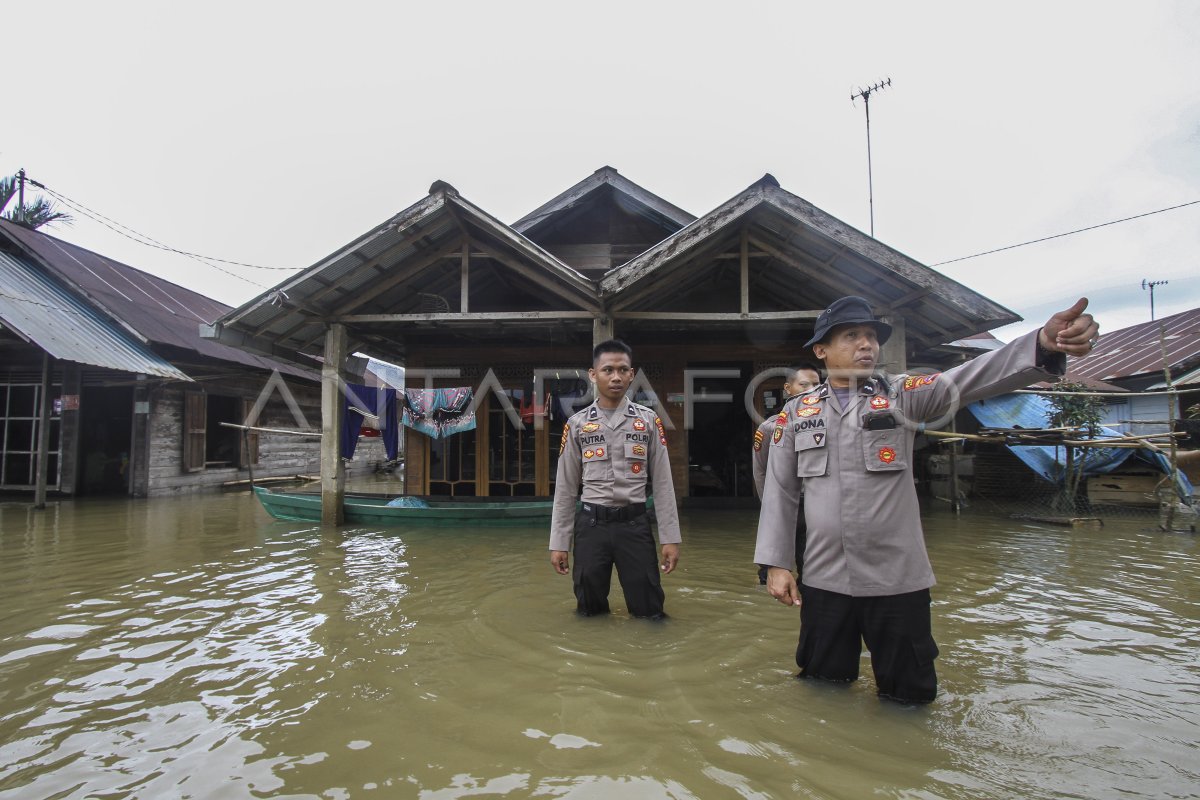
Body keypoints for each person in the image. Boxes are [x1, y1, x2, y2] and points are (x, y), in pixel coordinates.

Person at [755, 295, 1098, 704]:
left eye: (871, 336)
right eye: (851, 336)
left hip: (897, 579)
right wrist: (777, 564)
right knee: (823, 688)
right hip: (826, 578)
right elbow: (780, 492)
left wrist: (1042, 342)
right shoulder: (797, 414)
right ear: (821, 350)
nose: (866, 345)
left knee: (909, 697)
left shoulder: (903, 395)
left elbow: (970, 376)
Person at [549, 339, 681, 618]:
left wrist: (670, 538)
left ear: (632, 374)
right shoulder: (577, 424)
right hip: (591, 526)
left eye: (623, 370)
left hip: (634, 525)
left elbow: (663, 483)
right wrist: (559, 543)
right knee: (589, 609)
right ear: (593, 374)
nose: (616, 377)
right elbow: (566, 488)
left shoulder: (647, 421)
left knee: (649, 609)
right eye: (608, 370)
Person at [753, 362, 822, 584]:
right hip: (783, 505)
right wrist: (771, 508)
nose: (811, 389)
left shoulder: (827, 424)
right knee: (770, 572)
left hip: (816, 506)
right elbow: (760, 471)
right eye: (804, 384)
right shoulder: (769, 428)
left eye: (816, 384)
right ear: (788, 389)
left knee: (812, 569)